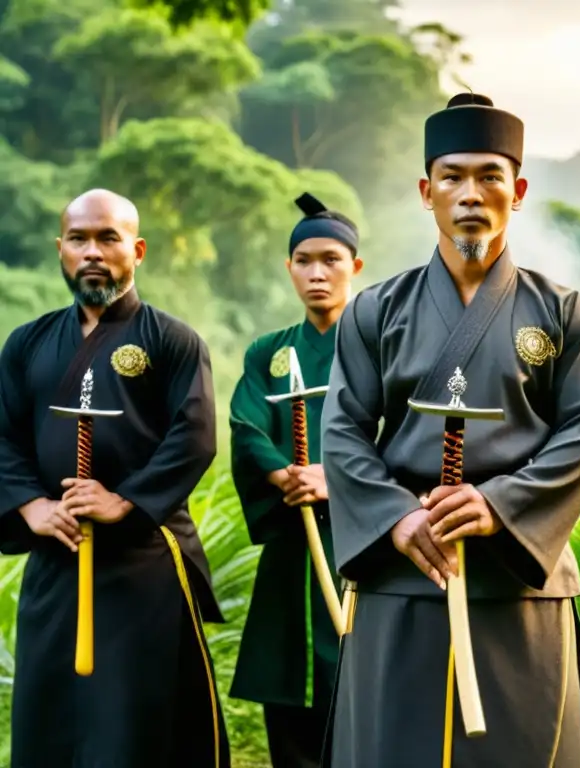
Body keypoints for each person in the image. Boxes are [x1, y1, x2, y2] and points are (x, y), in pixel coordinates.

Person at [320, 92, 580, 767]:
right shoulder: (373, 312)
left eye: (490, 177)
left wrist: (496, 505)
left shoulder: (564, 313)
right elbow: (343, 431)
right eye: (452, 177)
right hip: (404, 571)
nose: (471, 194)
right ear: (427, 191)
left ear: (519, 190)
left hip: (516, 577)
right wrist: (395, 518)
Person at [0, 188, 229, 767]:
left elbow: (195, 435)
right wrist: (31, 507)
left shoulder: (171, 341)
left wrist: (124, 501)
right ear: (61, 248)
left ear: (138, 249)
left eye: (108, 238)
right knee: (50, 714)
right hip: (56, 552)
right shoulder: (27, 343)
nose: (93, 252)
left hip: (143, 559)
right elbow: (1, 435)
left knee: (135, 722)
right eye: (79, 239)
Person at [228, 192, 362, 767]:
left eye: (330, 259)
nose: (316, 273)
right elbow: (244, 421)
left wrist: (335, 478)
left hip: (362, 543)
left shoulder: (378, 344)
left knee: (360, 697)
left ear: (355, 266)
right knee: (291, 709)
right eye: (304, 260)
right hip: (293, 543)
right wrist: (285, 474)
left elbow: (404, 431)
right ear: (289, 268)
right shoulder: (270, 352)